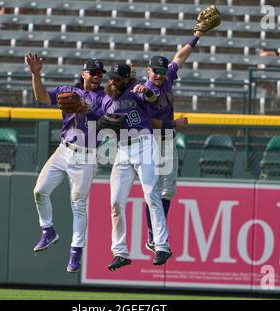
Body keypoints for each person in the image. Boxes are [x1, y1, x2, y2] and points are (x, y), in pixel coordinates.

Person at [25, 53, 106, 273]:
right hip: (64, 150)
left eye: (101, 74)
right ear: (84, 74)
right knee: (40, 191)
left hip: (87, 155)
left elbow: (107, 118)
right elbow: (42, 97)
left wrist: (88, 109)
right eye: (94, 72)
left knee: (78, 206)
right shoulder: (68, 91)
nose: (98, 77)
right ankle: (48, 231)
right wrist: (36, 74)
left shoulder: (104, 97)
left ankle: (76, 253)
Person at [99, 62, 172, 271]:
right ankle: (120, 252)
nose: (112, 81)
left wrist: (146, 90)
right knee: (115, 202)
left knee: (151, 195)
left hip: (143, 144)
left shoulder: (136, 89)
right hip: (122, 149)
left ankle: (162, 246)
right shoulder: (106, 99)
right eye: (111, 78)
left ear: (127, 80)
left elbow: (151, 96)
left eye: (117, 79)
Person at [142, 31, 205, 253]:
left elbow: (179, 57)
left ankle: (153, 236)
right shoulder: (147, 90)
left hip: (167, 139)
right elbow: (149, 121)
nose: (159, 75)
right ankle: (152, 234)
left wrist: (197, 36)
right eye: (155, 71)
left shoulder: (167, 76)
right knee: (153, 190)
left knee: (167, 190)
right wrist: (176, 124)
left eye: (161, 70)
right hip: (152, 141)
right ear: (147, 71)